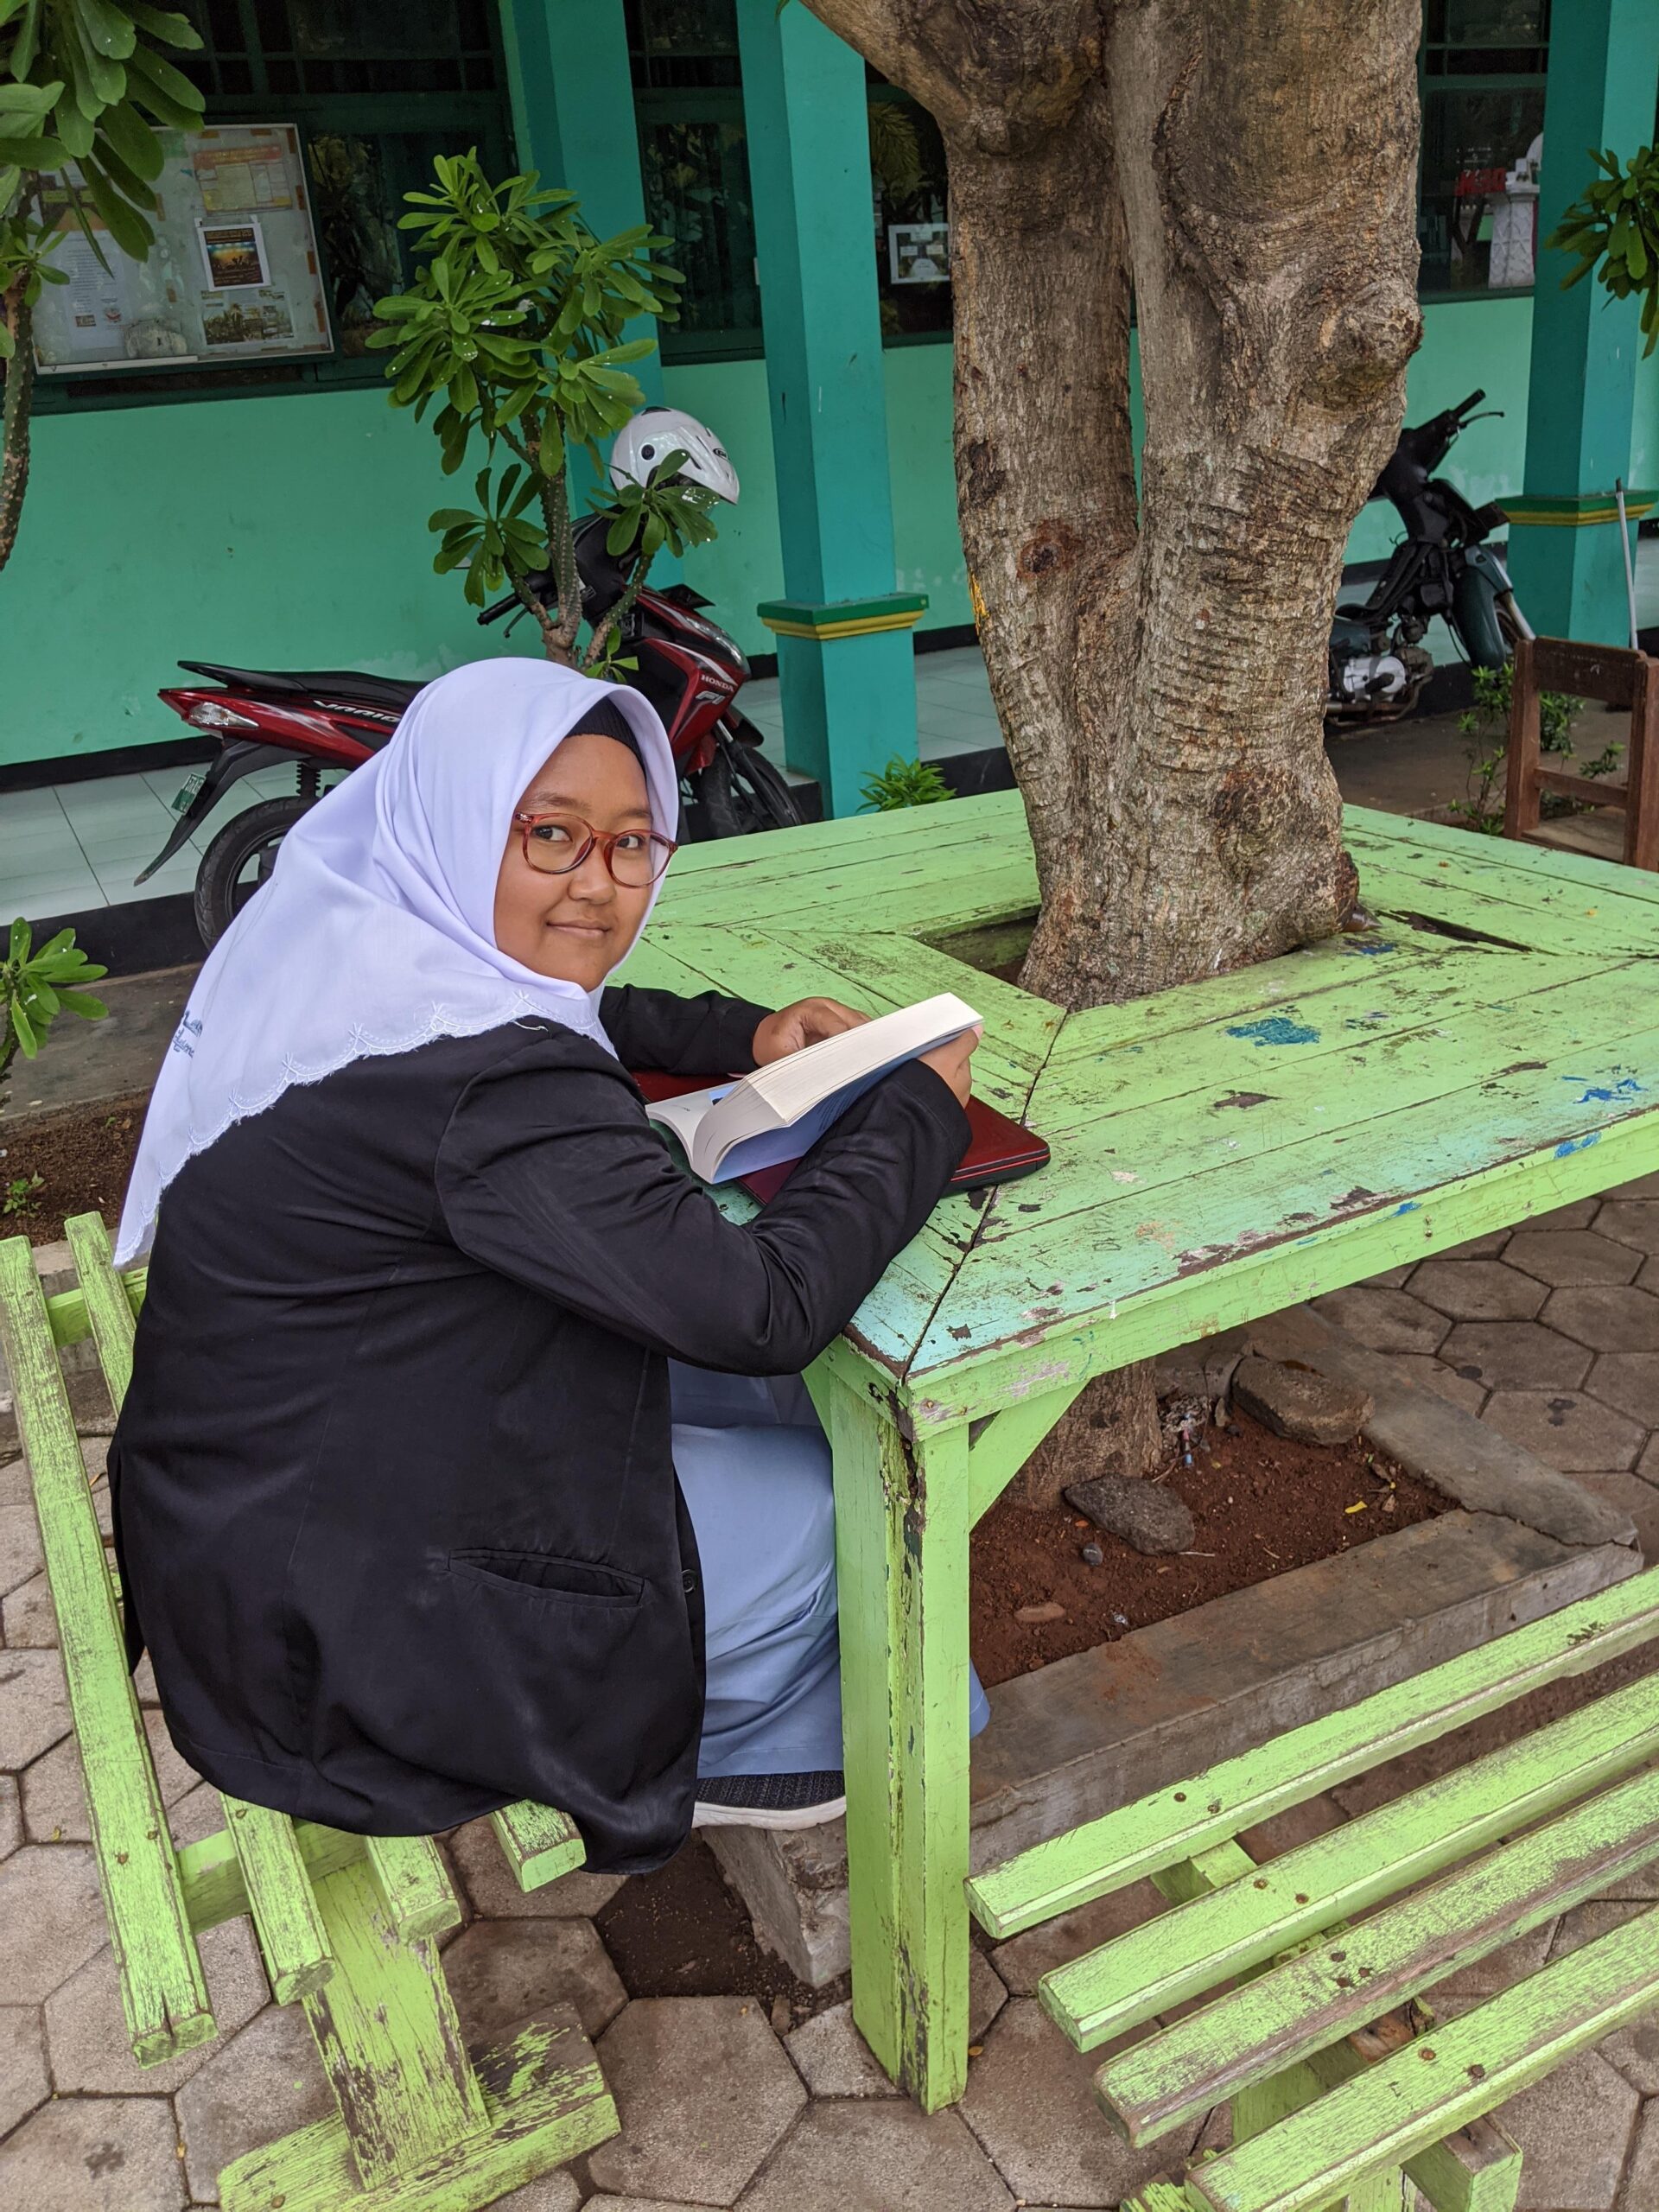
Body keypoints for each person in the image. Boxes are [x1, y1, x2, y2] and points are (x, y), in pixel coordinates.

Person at [109, 658, 985, 1872]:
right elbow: (761, 1306)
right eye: (553, 836)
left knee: (743, 1404)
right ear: (464, 826)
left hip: (247, 1509)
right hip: (331, 1629)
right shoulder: (488, 1083)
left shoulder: (352, 942)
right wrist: (919, 1118)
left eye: (634, 844)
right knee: (829, 1502)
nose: (601, 886)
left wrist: (746, 1033)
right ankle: (734, 1746)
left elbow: (581, 1001)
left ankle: (750, 1689)